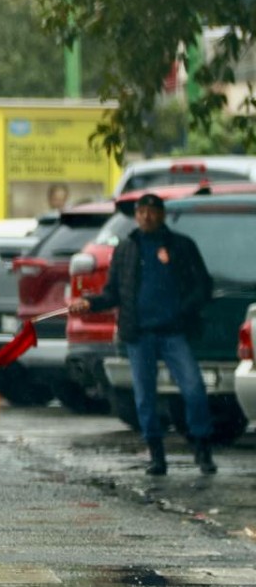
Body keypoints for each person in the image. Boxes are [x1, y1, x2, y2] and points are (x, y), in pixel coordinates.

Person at [69, 193, 216, 475]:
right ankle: (156, 455)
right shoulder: (126, 249)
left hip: (174, 332)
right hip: (139, 335)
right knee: (145, 397)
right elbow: (113, 292)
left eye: (152, 211)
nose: (146, 217)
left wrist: (182, 311)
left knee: (194, 389)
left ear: (161, 215)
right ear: (136, 216)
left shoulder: (181, 246)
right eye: (141, 212)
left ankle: (202, 447)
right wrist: (90, 302)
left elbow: (202, 286)